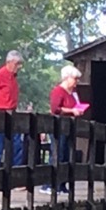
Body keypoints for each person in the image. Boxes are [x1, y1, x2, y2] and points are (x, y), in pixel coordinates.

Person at [40, 65, 86, 194]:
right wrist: (72, 110)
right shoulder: (58, 91)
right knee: (57, 154)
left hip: (68, 127)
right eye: (75, 79)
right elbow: (55, 109)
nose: (77, 82)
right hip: (58, 127)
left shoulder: (71, 94)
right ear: (67, 78)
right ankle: (49, 184)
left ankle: (61, 184)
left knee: (66, 155)